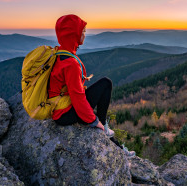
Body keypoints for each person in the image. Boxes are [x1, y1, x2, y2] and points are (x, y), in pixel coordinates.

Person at [47, 14, 135, 156]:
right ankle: (105, 127)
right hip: (64, 114)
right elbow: (78, 98)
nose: (84, 35)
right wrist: (94, 121)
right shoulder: (70, 63)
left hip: (60, 108)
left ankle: (118, 149)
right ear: (73, 34)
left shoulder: (59, 53)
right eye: (83, 32)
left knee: (97, 118)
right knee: (105, 83)